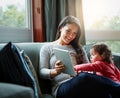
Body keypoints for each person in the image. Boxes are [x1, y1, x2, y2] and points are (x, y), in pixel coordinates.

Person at [39, 15, 120, 98]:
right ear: (60, 28)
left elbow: (90, 70)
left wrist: (79, 72)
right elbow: (42, 72)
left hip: (81, 84)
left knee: (105, 93)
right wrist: (55, 71)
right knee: (83, 77)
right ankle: (118, 87)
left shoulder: (78, 48)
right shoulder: (47, 47)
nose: (71, 36)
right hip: (61, 87)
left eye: (74, 33)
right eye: (68, 31)